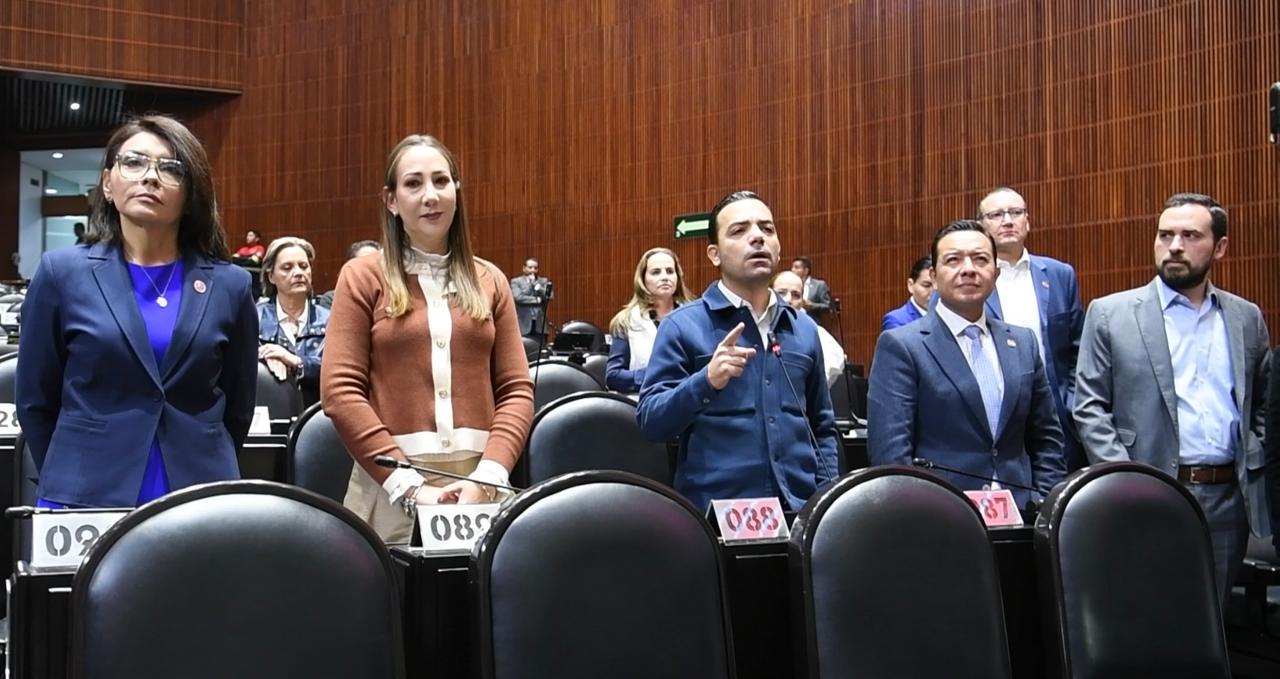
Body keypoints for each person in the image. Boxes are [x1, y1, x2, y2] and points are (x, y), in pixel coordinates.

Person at [15, 114, 257, 508]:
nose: (150, 177)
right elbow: (35, 400)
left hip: (200, 489)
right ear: (107, 184)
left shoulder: (231, 284)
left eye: (170, 168)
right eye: (134, 162)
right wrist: (67, 474)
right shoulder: (61, 273)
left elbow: (238, 407)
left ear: (191, 193)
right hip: (83, 490)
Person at [322, 134, 534, 543]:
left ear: (457, 190)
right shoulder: (362, 276)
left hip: (481, 489)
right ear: (391, 200)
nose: (430, 195)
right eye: (413, 183)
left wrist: (489, 474)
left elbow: (516, 389)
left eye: (441, 181)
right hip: (389, 489)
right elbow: (340, 392)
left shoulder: (490, 279)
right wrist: (411, 488)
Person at [1074, 192, 1272, 602]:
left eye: (1190, 235)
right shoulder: (1111, 313)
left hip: (1228, 499)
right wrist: (1127, 479)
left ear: (1219, 247)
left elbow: (1264, 402)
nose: (1175, 246)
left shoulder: (1245, 316)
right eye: (1165, 235)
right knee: (1149, 614)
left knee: (1213, 619)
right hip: (1147, 492)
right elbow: (1089, 407)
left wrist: (1255, 450)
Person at [637, 190, 839, 512]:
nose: (757, 237)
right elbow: (651, 421)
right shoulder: (682, 325)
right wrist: (706, 381)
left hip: (801, 512)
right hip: (718, 516)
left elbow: (823, 427)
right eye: (739, 230)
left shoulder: (803, 328)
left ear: (778, 247)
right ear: (714, 254)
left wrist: (826, 500)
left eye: (767, 229)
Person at [867, 220, 1065, 510]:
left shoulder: (1023, 343)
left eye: (980, 259)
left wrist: (1043, 501)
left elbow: (1047, 438)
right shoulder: (902, 346)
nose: (969, 269)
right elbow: (891, 453)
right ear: (934, 277)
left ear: (996, 273)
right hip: (940, 516)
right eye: (953, 260)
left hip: (1021, 515)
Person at [978, 187, 1085, 469]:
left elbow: (1078, 348)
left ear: (1027, 221)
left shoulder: (1059, 274)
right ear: (981, 226)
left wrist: (1071, 404)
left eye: (1015, 212)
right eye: (996, 215)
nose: (1008, 221)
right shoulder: (970, 279)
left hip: (1055, 415)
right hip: (994, 416)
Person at [605, 247, 695, 393]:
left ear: (678, 277)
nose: (665, 277)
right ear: (643, 280)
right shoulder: (625, 321)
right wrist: (656, 375)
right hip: (644, 399)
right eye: (656, 272)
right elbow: (613, 376)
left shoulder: (696, 316)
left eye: (670, 271)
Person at [256, 236, 329, 407]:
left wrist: (296, 361)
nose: (298, 273)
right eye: (287, 268)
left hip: (320, 414)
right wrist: (265, 361)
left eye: (303, 266)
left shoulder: (330, 319)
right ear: (271, 276)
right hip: (268, 413)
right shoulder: (254, 318)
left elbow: (339, 369)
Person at [773, 270, 844, 387]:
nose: (788, 300)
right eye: (781, 293)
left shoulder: (815, 332)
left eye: (796, 295)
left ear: (802, 302)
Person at [316, 239, 381, 309]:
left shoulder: (387, 297)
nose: (369, 269)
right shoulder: (332, 299)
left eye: (375, 263)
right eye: (363, 264)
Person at [881, 255, 933, 331]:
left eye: (939, 286)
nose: (933, 292)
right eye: (926, 285)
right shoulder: (896, 320)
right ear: (910, 285)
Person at [511, 257, 553, 341]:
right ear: (524, 268)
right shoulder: (516, 281)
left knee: (541, 347)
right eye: (530, 267)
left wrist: (538, 286)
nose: (533, 270)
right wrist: (538, 300)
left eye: (535, 268)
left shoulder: (543, 281)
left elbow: (550, 296)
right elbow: (518, 298)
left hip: (540, 323)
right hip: (523, 324)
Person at [789, 256, 832, 322]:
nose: (792, 270)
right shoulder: (790, 285)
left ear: (806, 271)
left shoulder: (819, 285)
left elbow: (828, 306)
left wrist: (811, 305)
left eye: (796, 267)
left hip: (812, 322)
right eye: (792, 267)